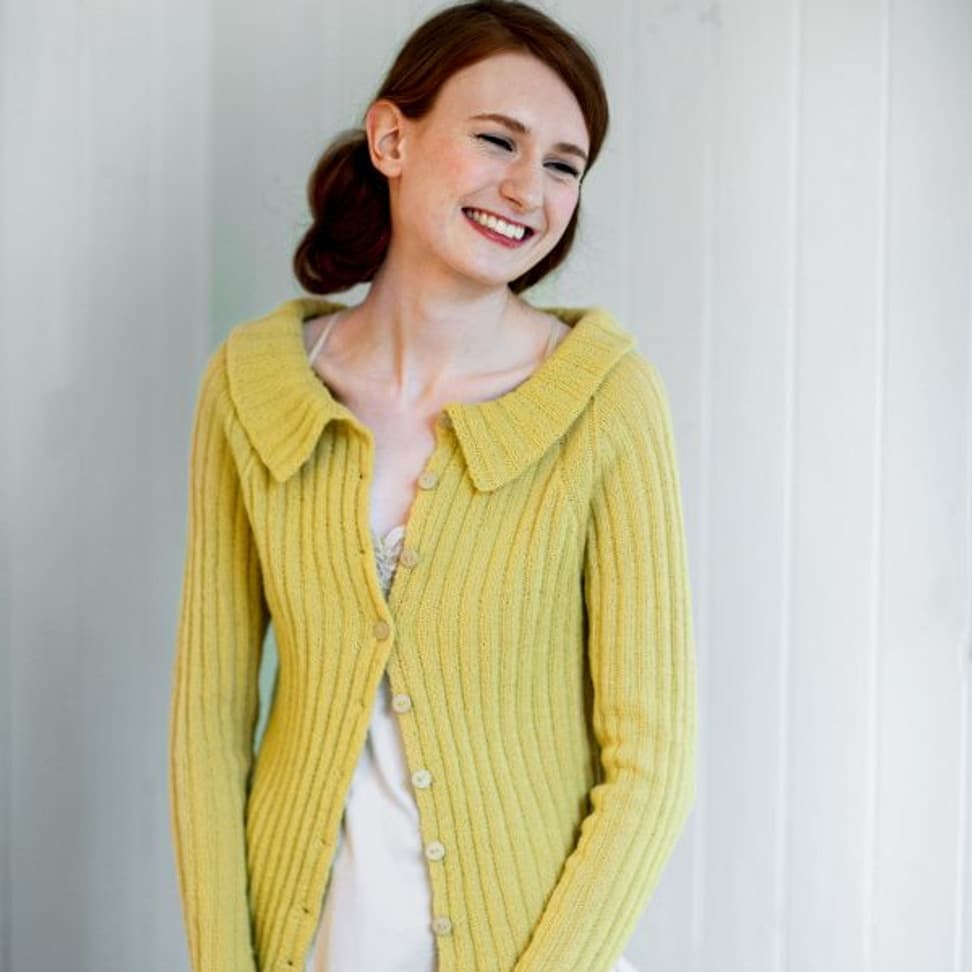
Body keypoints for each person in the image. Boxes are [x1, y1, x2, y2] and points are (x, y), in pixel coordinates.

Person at [167, 1, 698, 970]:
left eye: (564, 165)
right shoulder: (252, 386)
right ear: (391, 139)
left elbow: (650, 766)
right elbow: (208, 725)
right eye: (497, 139)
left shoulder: (605, 399)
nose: (528, 188)